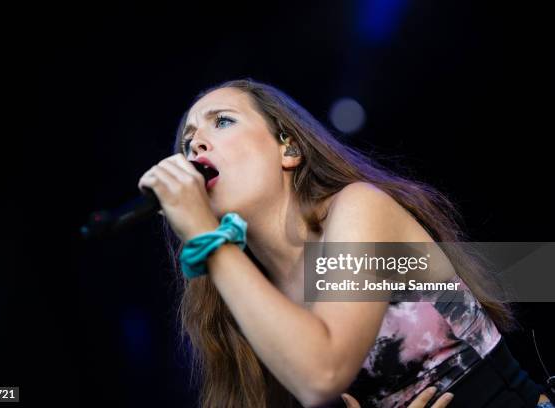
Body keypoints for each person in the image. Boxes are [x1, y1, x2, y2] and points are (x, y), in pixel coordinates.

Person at [138, 78, 552, 407]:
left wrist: (205, 239)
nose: (196, 145)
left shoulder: (358, 206)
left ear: (290, 148)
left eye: (222, 121)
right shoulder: (241, 298)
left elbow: (322, 372)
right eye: (187, 141)